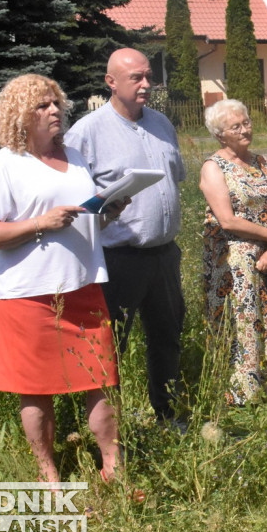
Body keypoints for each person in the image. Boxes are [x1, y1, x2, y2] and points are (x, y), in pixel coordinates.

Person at [0, 74, 123, 483]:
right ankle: (48, 474)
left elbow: (81, 214)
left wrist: (108, 210)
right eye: (42, 106)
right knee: (36, 389)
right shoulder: (2, 166)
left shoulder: (75, 157)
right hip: (27, 296)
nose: (54, 110)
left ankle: (114, 469)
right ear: (20, 115)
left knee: (102, 379)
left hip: (82, 284)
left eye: (56, 102)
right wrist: (41, 223)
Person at [65, 48, 186, 426]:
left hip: (164, 254)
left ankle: (167, 414)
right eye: (137, 78)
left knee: (167, 336)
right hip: (119, 258)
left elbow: (174, 179)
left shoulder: (162, 124)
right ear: (111, 83)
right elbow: (73, 199)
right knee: (111, 343)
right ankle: (107, 429)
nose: (147, 84)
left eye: (149, 76)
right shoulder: (87, 132)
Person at [200, 99, 267, 404]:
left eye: (246, 122)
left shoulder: (262, 161)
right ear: (220, 134)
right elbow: (227, 220)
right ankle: (238, 393)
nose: (245, 129)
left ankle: (266, 384)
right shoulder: (214, 167)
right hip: (231, 259)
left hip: (265, 256)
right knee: (240, 321)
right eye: (236, 126)